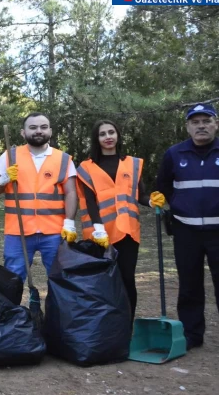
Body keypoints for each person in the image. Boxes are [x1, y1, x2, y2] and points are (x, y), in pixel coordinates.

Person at [155, 103, 219, 357]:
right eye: (195, 122)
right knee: (189, 285)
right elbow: (163, 186)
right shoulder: (174, 153)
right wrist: (180, 206)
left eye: (206, 121)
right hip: (186, 231)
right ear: (188, 126)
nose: (201, 126)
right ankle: (192, 334)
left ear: (216, 124)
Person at [76, 119, 161, 321]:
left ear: (118, 135)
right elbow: (89, 201)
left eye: (111, 132)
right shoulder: (86, 167)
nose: (108, 137)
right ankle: (106, 325)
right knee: (103, 281)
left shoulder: (132, 163)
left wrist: (151, 201)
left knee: (127, 279)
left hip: (128, 232)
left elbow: (140, 194)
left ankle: (127, 324)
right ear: (96, 139)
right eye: (103, 134)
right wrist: (98, 228)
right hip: (100, 234)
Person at [0, 112, 78, 281]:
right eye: (33, 127)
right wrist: (3, 179)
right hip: (18, 231)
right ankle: (12, 308)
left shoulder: (64, 159)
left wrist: (69, 222)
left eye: (43, 127)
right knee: (12, 279)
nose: (38, 131)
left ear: (50, 131)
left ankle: (57, 308)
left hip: (54, 231)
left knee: (60, 278)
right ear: (23, 132)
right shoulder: (9, 156)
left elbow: (71, 192)